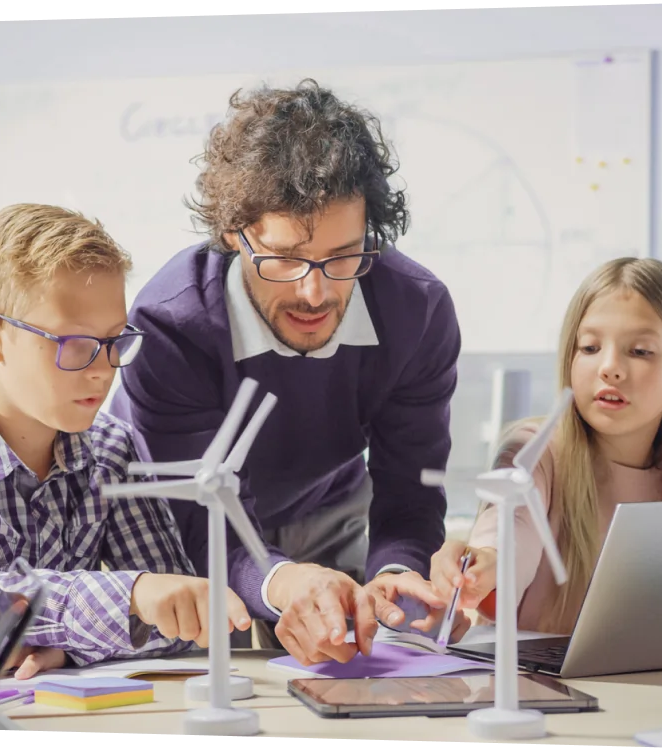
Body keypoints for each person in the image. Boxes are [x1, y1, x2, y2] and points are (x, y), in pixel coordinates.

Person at [110, 79, 466, 666]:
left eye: (342, 255)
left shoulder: (417, 311)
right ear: (233, 232)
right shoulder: (169, 324)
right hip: (185, 525)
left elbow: (410, 490)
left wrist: (398, 571)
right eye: (285, 258)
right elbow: (203, 523)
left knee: (347, 670)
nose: (315, 291)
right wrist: (280, 582)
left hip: (327, 512)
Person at [0, 204, 250, 677]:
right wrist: (130, 596)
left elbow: (179, 615)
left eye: (115, 340)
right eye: (75, 344)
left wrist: (72, 650)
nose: (104, 370)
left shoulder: (110, 447)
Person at [431, 257, 662, 634]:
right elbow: (510, 527)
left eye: (640, 351)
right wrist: (487, 562)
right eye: (590, 348)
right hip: (550, 687)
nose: (609, 368)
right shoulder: (535, 450)